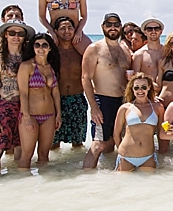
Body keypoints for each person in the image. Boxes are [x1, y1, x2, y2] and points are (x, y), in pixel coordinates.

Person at [81, 13, 134, 168]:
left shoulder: (125, 50)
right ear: (102, 27)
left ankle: (110, 181)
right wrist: (94, 107)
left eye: (116, 24)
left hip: (123, 102)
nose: (112, 27)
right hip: (103, 100)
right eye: (109, 24)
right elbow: (85, 78)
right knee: (98, 145)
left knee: (116, 142)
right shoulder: (94, 48)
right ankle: (86, 180)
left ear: (121, 27)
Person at [0, 20, 34, 170]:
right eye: (12, 33)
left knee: (22, 146)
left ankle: (18, 183)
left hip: (25, 107)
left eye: (20, 34)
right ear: (5, 35)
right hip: (4, 107)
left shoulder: (29, 58)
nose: (16, 37)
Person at [17, 34, 61, 169]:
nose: (40, 48)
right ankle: (22, 186)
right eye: (37, 45)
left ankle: (44, 187)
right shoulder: (26, 66)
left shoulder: (51, 67)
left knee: (44, 154)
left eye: (44, 45)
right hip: (31, 115)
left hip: (49, 115)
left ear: (50, 49)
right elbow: (23, 93)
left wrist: (59, 114)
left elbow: (55, 92)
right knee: (27, 154)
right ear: (33, 48)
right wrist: (26, 117)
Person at [51, 16, 88, 150]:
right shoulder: (51, 52)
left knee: (78, 143)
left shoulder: (81, 51)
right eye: (62, 28)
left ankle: (76, 170)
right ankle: (52, 170)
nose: (67, 31)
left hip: (77, 98)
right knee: (53, 142)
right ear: (55, 31)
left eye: (70, 28)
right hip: (55, 101)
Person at [113, 74, 160, 172]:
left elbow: (161, 133)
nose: (140, 90)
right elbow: (116, 134)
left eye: (143, 87)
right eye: (136, 87)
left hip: (148, 157)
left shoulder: (157, 107)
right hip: (126, 156)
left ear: (149, 87)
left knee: (151, 187)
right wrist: (121, 152)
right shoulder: (125, 108)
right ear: (132, 89)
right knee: (124, 187)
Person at [133, 18, 166, 83]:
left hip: (167, 92)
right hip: (149, 91)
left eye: (156, 28)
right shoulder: (139, 55)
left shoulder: (168, 52)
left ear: (161, 31)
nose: (153, 31)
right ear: (145, 32)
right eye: (149, 29)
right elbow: (135, 79)